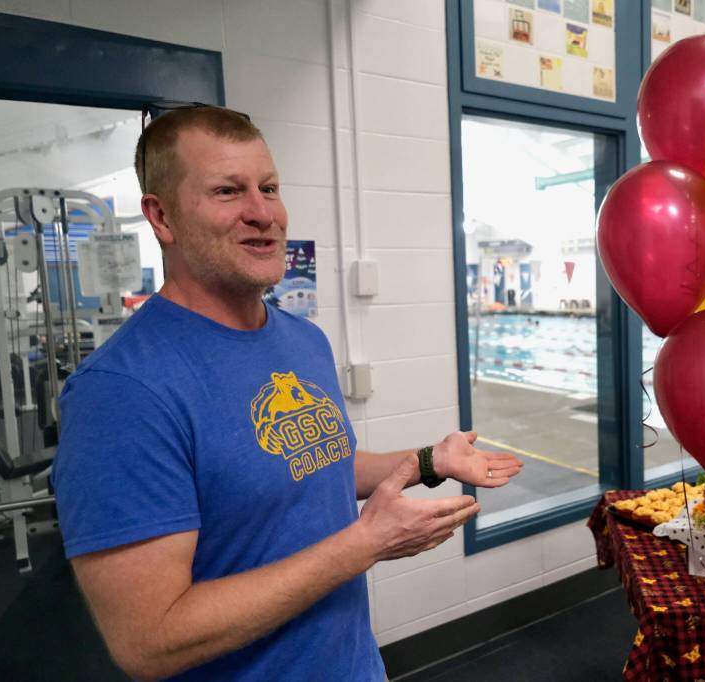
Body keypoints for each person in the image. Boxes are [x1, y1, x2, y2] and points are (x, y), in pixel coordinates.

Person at [50, 105, 523, 681]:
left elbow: (319, 464)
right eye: (228, 191)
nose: (263, 213)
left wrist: (429, 461)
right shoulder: (120, 394)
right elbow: (150, 640)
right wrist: (365, 545)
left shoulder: (302, 341)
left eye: (269, 188)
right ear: (162, 215)